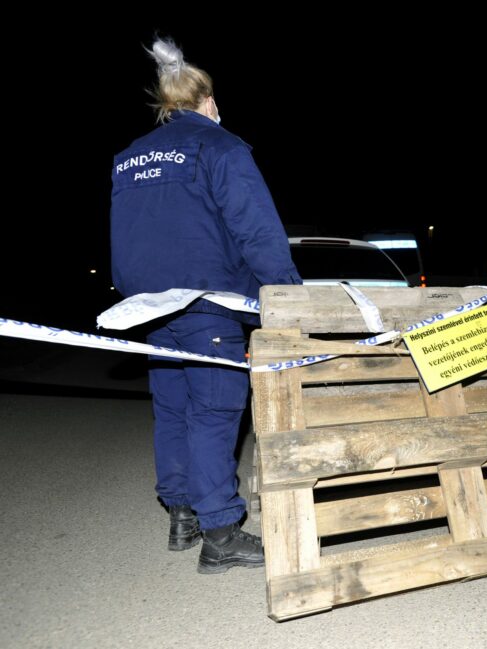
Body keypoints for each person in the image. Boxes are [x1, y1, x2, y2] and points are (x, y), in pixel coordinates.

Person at [110, 38, 302, 573]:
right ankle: (220, 531)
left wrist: (137, 295)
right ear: (208, 101)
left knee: (172, 409)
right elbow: (256, 228)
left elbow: (125, 238)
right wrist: (286, 291)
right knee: (214, 410)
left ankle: (183, 515)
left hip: (150, 308)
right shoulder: (222, 147)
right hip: (209, 302)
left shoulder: (129, 158)